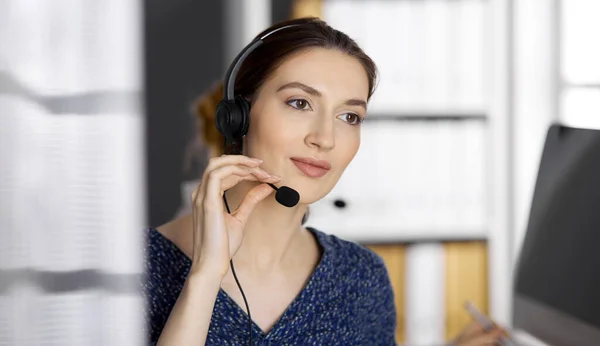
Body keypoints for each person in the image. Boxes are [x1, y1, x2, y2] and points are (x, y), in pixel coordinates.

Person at [141, 17, 507, 345]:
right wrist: (205, 276)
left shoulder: (360, 278)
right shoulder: (132, 270)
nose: (325, 138)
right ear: (238, 117)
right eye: (300, 103)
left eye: (349, 116)